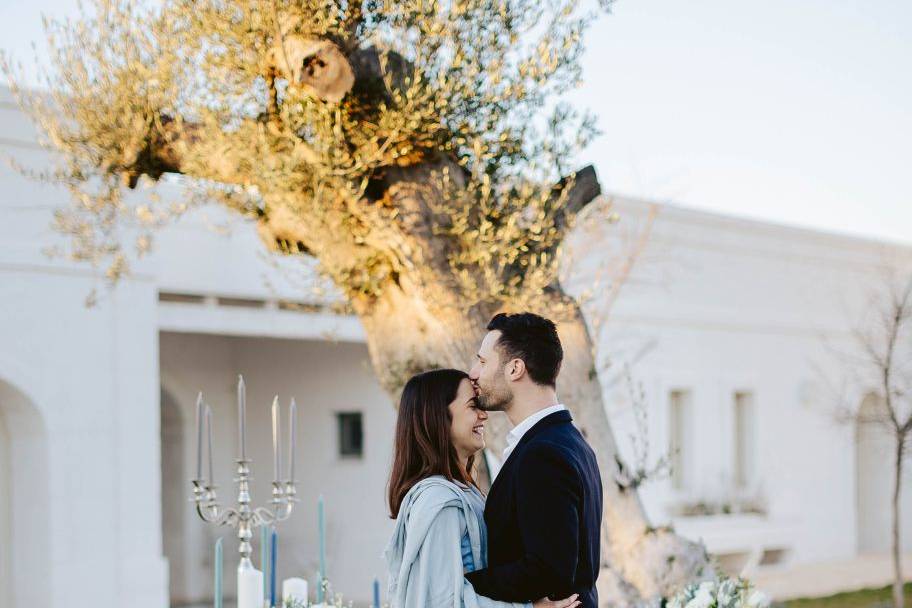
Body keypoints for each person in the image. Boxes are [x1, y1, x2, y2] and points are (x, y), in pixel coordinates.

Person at [384, 368, 582, 608]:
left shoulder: (464, 491)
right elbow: (441, 601)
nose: (484, 415)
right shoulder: (439, 501)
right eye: (472, 406)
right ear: (437, 416)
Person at [465, 313, 603, 608]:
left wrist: (462, 581)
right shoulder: (569, 441)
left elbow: (547, 569)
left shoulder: (543, 454)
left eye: (483, 361)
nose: (473, 373)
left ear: (515, 368)